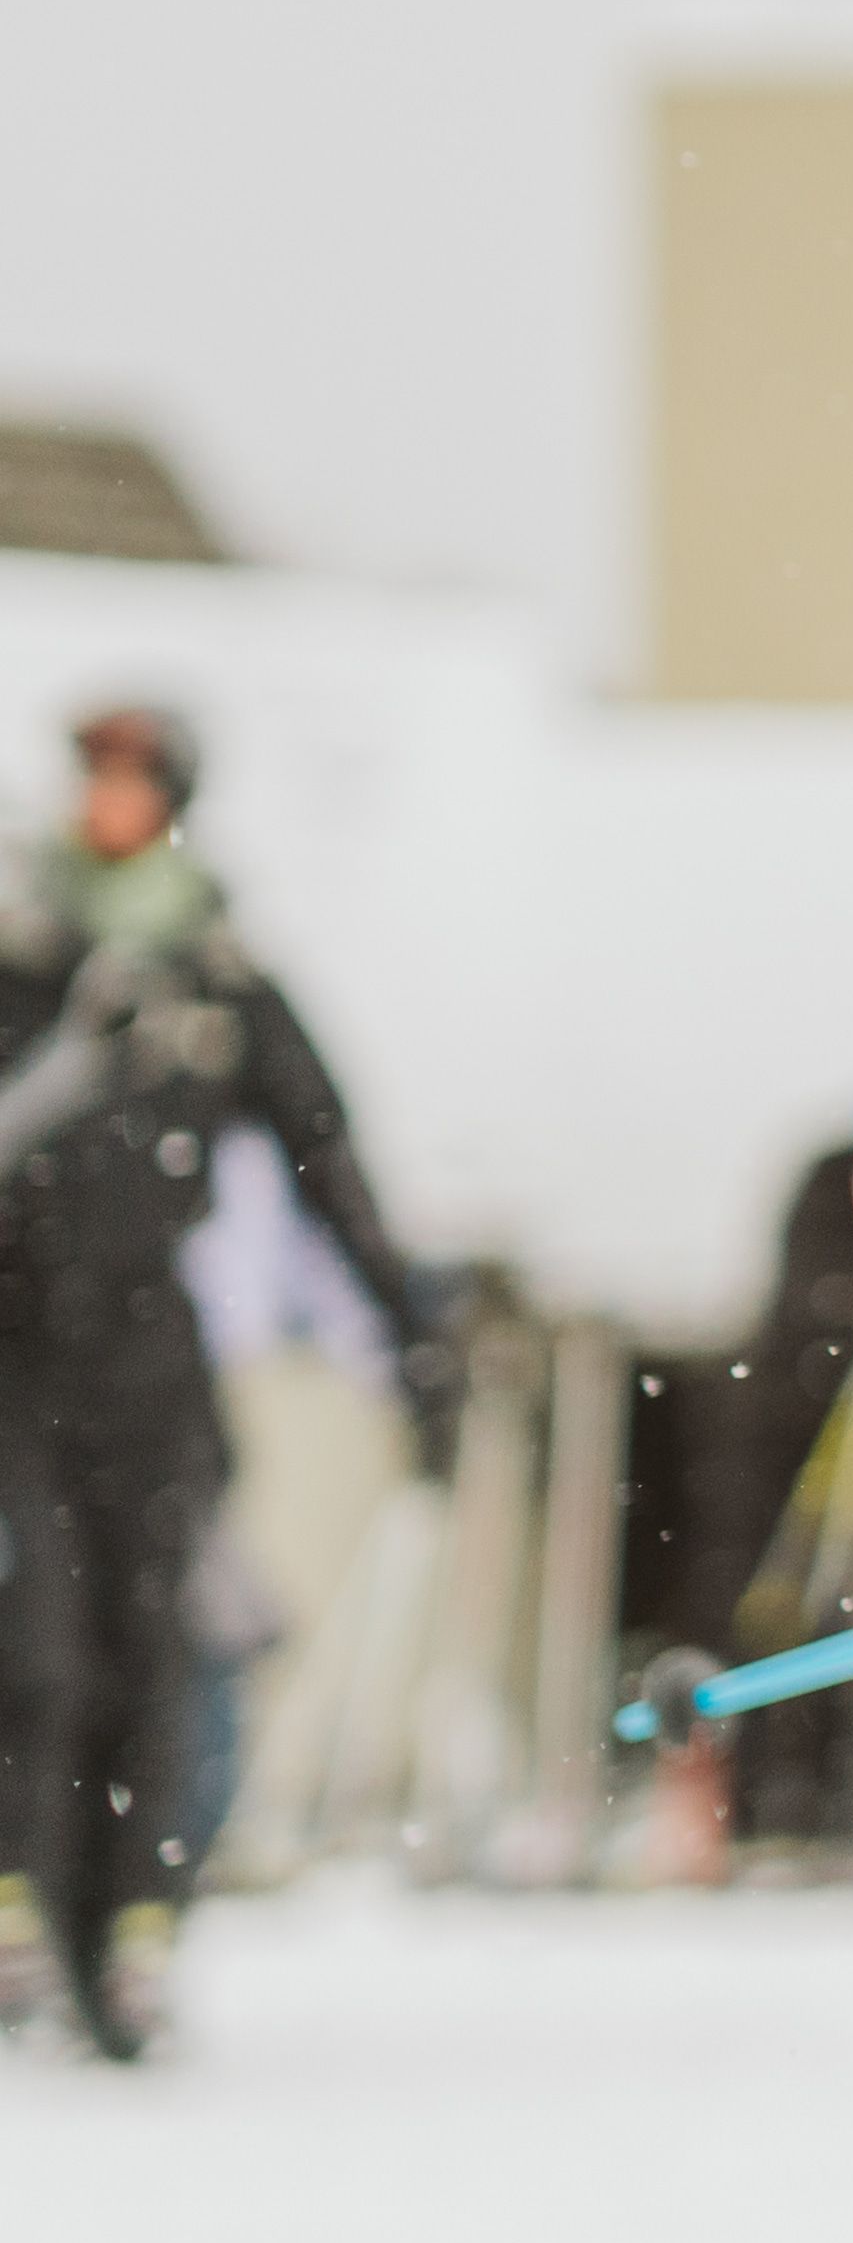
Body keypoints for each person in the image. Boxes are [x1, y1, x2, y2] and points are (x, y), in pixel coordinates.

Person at [0, 701, 426, 2060]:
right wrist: (69, 1045)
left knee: (155, 1651)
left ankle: (133, 1938)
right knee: (36, 1651)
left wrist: (408, 1332)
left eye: (136, 781)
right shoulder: (25, 955)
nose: (108, 801)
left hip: (148, 1354)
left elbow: (326, 1158)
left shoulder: (218, 978)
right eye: (96, 776)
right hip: (13, 1351)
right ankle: (17, 1912)